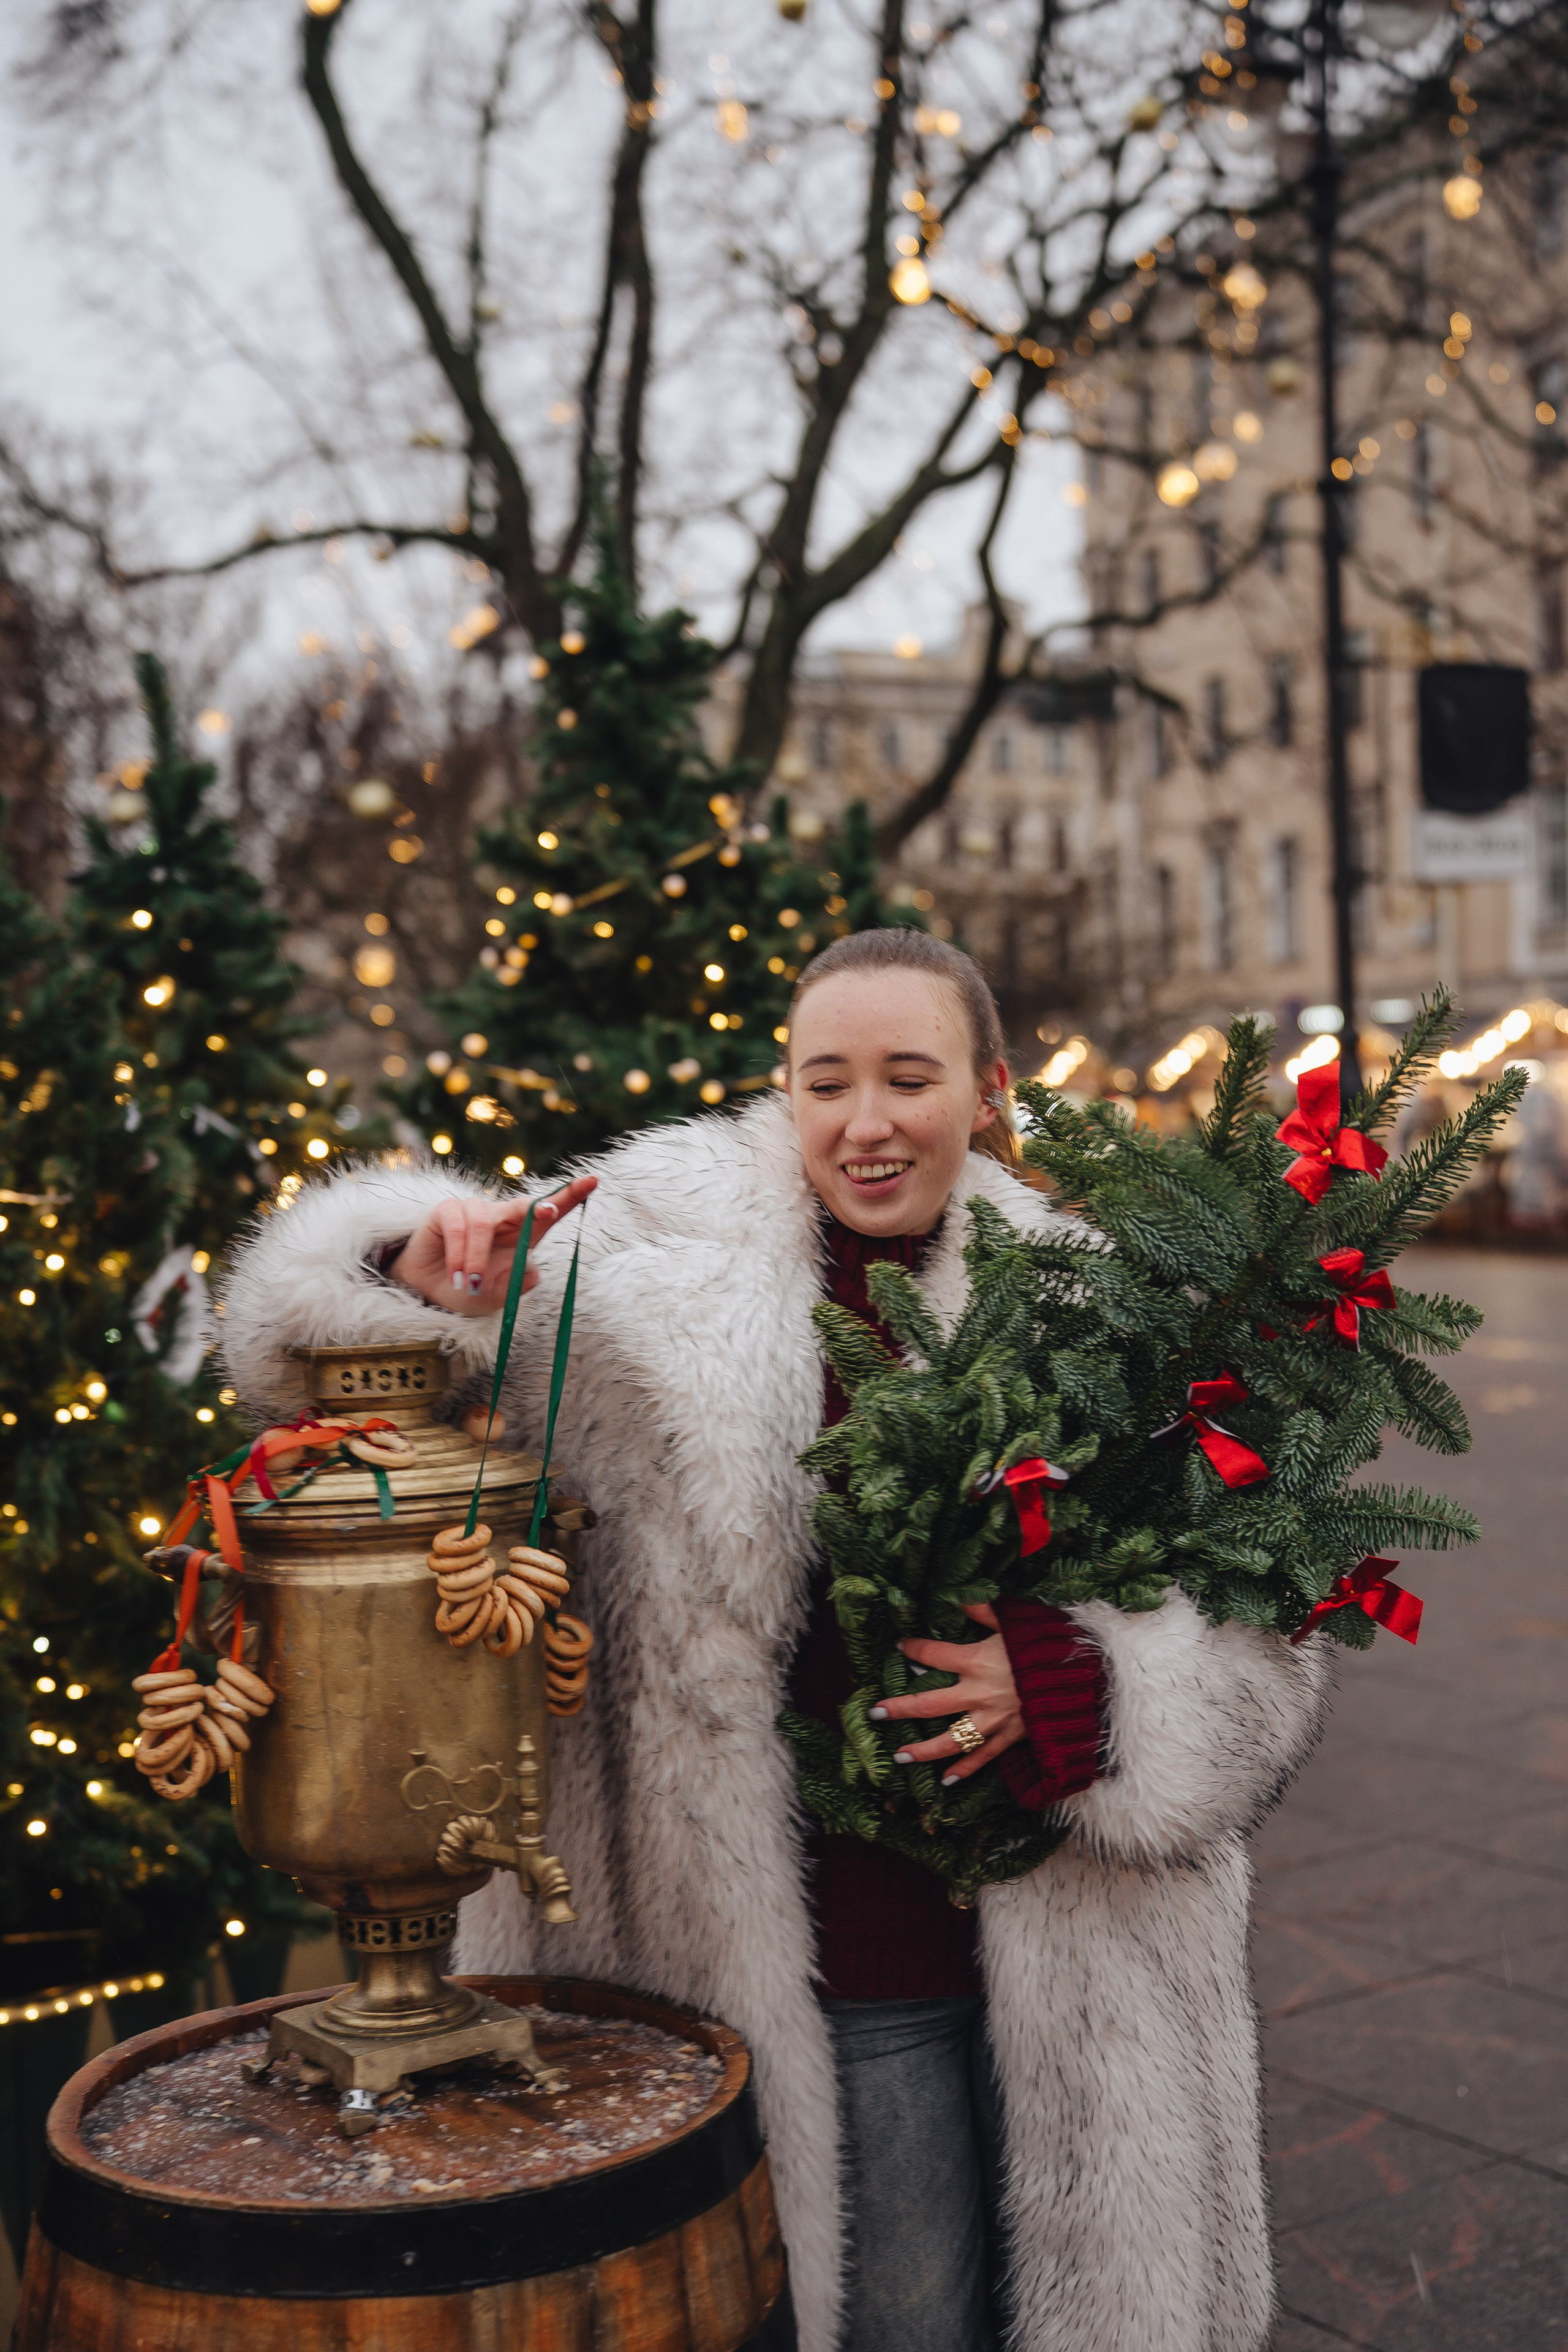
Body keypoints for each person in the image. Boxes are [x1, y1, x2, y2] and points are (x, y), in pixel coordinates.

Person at [221, 930, 1329, 2352]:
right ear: (784, 1091)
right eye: (827, 1081)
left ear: (987, 1092)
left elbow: (1274, 1637)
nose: (865, 1124)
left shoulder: (1100, 1298)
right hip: (827, 1976)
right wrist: (411, 1267)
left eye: (907, 1078)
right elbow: (283, 1341)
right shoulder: (637, 1257)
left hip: (1096, 1974)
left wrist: (1096, 1696)